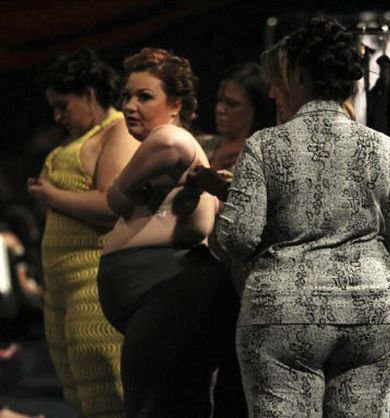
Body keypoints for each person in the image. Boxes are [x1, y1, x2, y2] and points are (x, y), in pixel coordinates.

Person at [214, 18, 390, 417]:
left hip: (284, 311)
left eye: (279, 80)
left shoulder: (264, 146)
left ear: (298, 76)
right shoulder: (384, 148)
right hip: (375, 311)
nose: (273, 92)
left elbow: (238, 236)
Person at [96, 47, 237, 418]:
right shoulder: (184, 153)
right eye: (126, 96)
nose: (129, 106)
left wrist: (125, 187)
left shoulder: (169, 139)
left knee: (154, 407)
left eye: (144, 97)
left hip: (171, 296)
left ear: (176, 105)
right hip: (170, 297)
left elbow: (114, 199)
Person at [28, 48, 139, 418]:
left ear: (89, 94)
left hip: (92, 287)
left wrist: (52, 196)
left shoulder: (116, 130)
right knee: (82, 397)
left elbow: (111, 204)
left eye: (63, 105)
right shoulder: (83, 135)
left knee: (108, 393)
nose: (58, 116)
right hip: (63, 289)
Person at [199, 63, 276, 171]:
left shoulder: (265, 160)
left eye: (231, 104)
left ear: (256, 109)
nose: (219, 109)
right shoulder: (200, 145)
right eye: (220, 100)